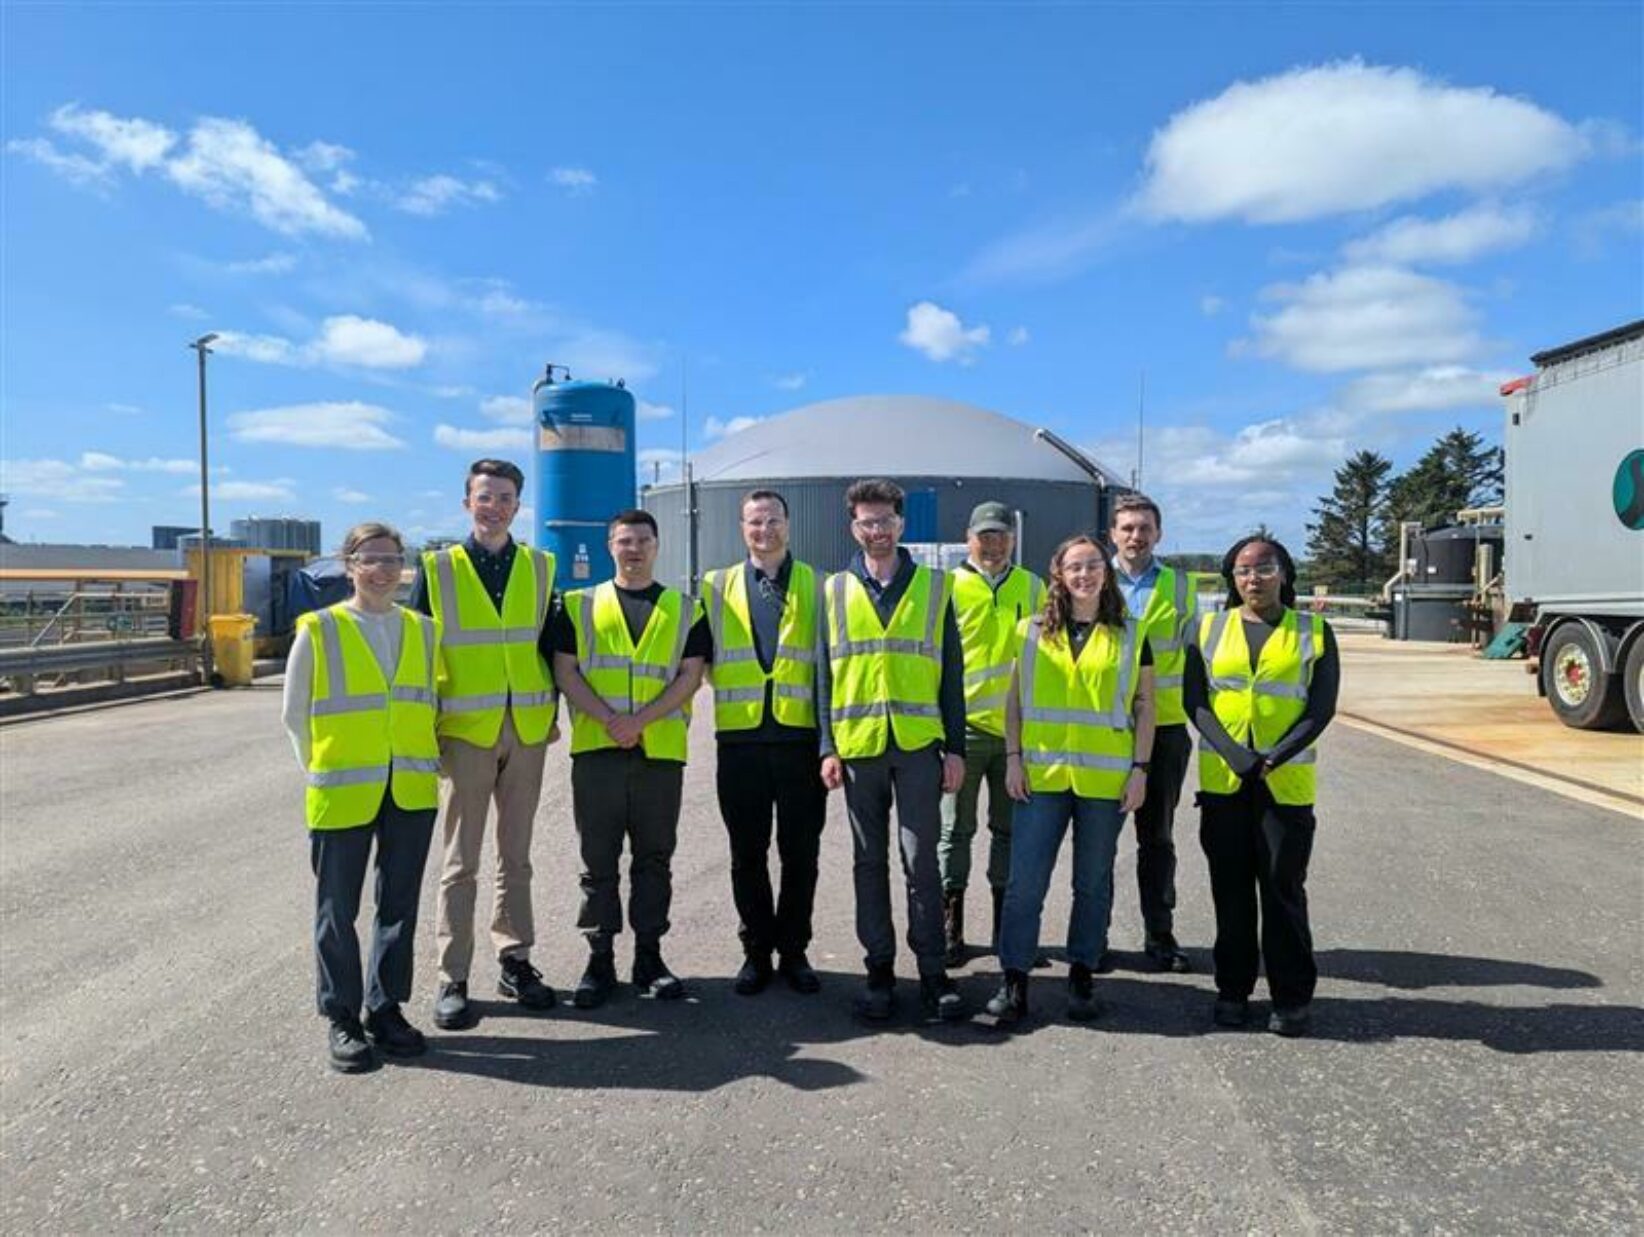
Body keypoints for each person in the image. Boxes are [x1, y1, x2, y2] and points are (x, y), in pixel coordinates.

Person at [283, 522, 442, 1072]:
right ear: (348, 565)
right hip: (345, 790)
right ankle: (343, 1017)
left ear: (404, 567)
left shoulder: (424, 630)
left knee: (398, 907)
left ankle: (386, 1007)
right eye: (370, 559)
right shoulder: (320, 629)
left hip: (410, 787)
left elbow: (430, 703)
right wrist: (320, 769)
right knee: (338, 910)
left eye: (392, 559)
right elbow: (294, 715)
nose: (382, 569)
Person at [409, 459, 559, 1031]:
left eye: (504, 497)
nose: (493, 505)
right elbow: (418, 656)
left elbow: (551, 648)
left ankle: (514, 958)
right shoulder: (437, 569)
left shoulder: (541, 567)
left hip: (525, 728)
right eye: (483, 496)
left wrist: (551, 716)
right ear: (466, 502)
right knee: (460, 860)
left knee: (516, 855)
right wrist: (424, 731)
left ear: (518, 506)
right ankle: (453, 974)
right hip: (466, 731)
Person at [986, 535, 1154, 1024]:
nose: (1085, 575)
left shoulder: (1131, 632)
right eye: (1075, 566)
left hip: (1105, 780)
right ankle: (1013, 979)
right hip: (1041, 775)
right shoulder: (1029, 630)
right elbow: (1013, 700)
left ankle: (1082, 973)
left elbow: (1146, 707)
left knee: (1092, 883)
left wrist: (1140, 770)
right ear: (1058, 573)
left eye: (1094, 566)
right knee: (1025, 884)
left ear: (1107, 573)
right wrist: (1013, 758)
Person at [818, 478, 968, 1022]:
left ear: (902, 525)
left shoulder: (933, 586)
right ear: (852, 527)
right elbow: (823, 675)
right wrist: (826, 745)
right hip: (858, 749)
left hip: (918, 747)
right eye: (866, 522)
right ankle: (879, 970)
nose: (876, 531)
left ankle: (933, 971)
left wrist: (956, 748)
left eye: (885, 521)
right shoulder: (833, 590)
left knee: (920, 859)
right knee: (867, 862)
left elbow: (952, 674)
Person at [550, 509, 709, 1008]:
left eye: (643, 540)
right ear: (609, 547)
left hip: (659, 753)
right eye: (624, 540)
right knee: (597, 862)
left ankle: (649, 958)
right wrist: (610, 721)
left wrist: (638, 722)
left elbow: (690, 676)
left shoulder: (686, 609)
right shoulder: (576, 605)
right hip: (598, 752)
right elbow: (565, 672)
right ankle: (599, 961)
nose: (633, 549)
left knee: (654, 859)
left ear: (657, 546)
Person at [1185, 535, 1339, 1038]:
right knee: (1229, 891)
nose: (1254, 578)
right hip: (1226, 782)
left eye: (1265, 568)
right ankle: (1232, 990)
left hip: (1284, 783)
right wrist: (1236, 755)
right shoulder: (1208, 629)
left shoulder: (1314, 631)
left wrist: (1272, 758)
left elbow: (1320, 708)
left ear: (1284, 573)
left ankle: (1291, 997)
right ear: (1232, 577)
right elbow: (1196, 701)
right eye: (1244, 570)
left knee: (1282, 889)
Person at [700, 489, 827, 997]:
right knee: (746, 854)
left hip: (799, 741)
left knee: (801, 855)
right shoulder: (715, 585)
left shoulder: (820, 585)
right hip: (741, 741)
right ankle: (755, 952)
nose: (764, 530)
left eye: (773, 520)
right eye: (755, 522)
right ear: (741, 527)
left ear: (788, 525)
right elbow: (696, 658)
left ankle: (794, 951)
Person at [937, 501, 1046, 965]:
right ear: (969, 538)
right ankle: (950, 928)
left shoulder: (1034, 586)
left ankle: (1007, 930)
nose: (993, 543)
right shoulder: (946, 588)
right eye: (985, 535)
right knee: (953, 830)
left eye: (1001, 535)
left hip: (1016, 737)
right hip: (962, 734)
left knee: (1010, 833)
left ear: (1013, 539)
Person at [1108, 495, 1195, 973]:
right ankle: (1092, 934)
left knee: (1156, 838)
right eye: (1127, 528)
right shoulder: (1091, 581)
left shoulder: (1182, 587)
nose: (1135, 536)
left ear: (1158, 533)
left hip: (1164, 729)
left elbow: (1198, 655)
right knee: (1098, 840)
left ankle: (1159, 933)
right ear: (1112, 535)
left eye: (1144, 528)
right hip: (1105, 731)